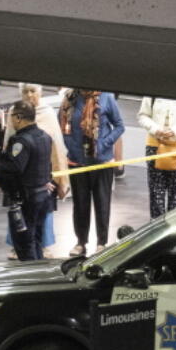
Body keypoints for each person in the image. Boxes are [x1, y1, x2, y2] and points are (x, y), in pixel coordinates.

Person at [3, 84, 68, 257]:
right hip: (32, 188)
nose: (29, 95)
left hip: (35, 186)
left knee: (31, 236)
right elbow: (8, 144)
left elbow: (57, 150)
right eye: (26, 91)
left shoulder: (46, 115)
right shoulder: (16, 113)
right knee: (29, 234)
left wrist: (60, 179)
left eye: (33, 91)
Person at [60, 88, 124, 256]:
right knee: (80, 204)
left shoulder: (107, 97)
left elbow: (119, 126)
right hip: (77, 161)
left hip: (101, 162)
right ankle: (81, 242)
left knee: (102, 203)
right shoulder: (70, 98)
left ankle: (101, 243)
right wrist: (71, 146)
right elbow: (63, 125)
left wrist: (102, 144)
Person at [0, 101, 55, 261]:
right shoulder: (45, 137)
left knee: (24, 245)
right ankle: (41, 279)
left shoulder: (21, 142)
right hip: (43, 197)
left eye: (11, 117)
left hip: (26, 201)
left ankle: (32, 280)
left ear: (19, 117)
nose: (10, 121)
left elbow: (13, 169)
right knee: (36, 241)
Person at [138, 96, 176, 218]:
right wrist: (156, 129)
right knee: (156, 195)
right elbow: (142, 115)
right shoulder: (152, 88)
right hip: (155, 147)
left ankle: (173, 233)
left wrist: (175, 130)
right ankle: (156, 231)